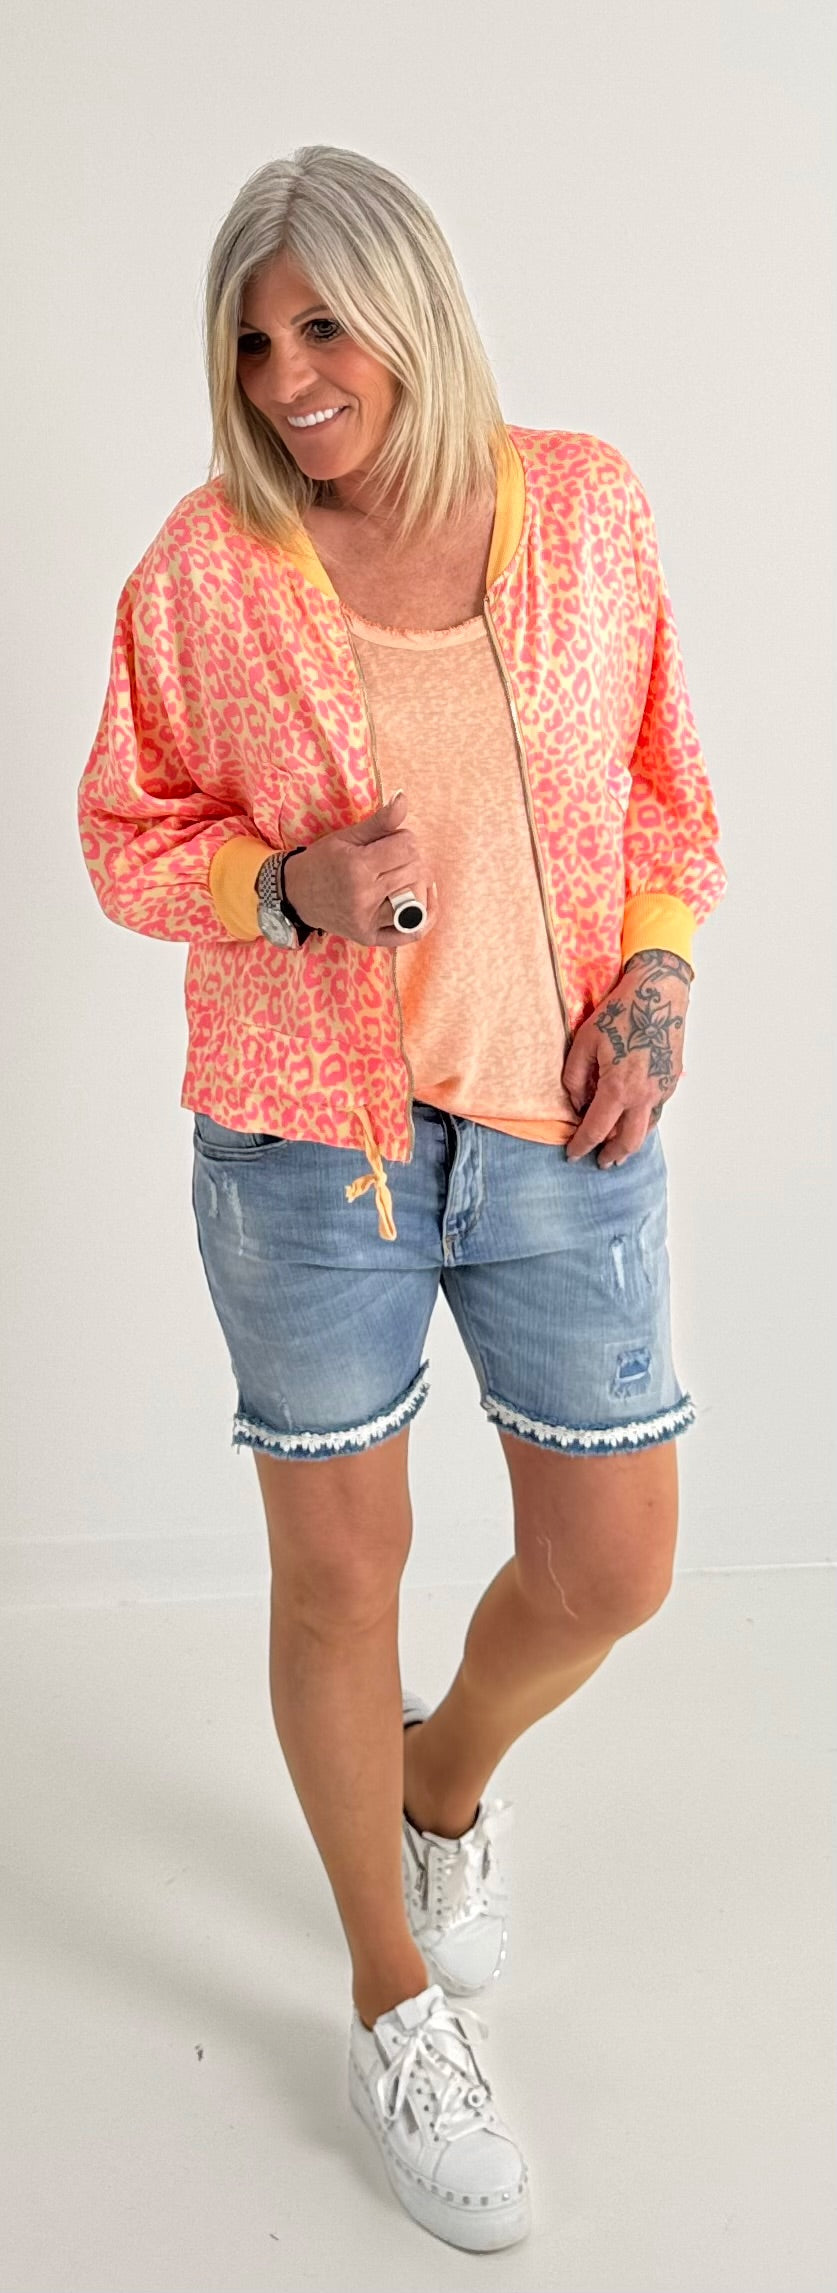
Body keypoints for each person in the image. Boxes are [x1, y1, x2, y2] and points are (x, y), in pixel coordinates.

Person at [77, 143, 727, 2256]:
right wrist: (278, 885)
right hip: (306, 1144)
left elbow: (663, 795)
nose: (289, 377)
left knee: (611, 1566)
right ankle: (387, 1997)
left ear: (411, 309)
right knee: (338, 1577)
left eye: (324, 325)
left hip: (558, 1127)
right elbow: (121, 830)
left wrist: (651, 990)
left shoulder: (586, 507)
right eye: (254, 340)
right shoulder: (207, 564)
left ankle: (439, 1783)